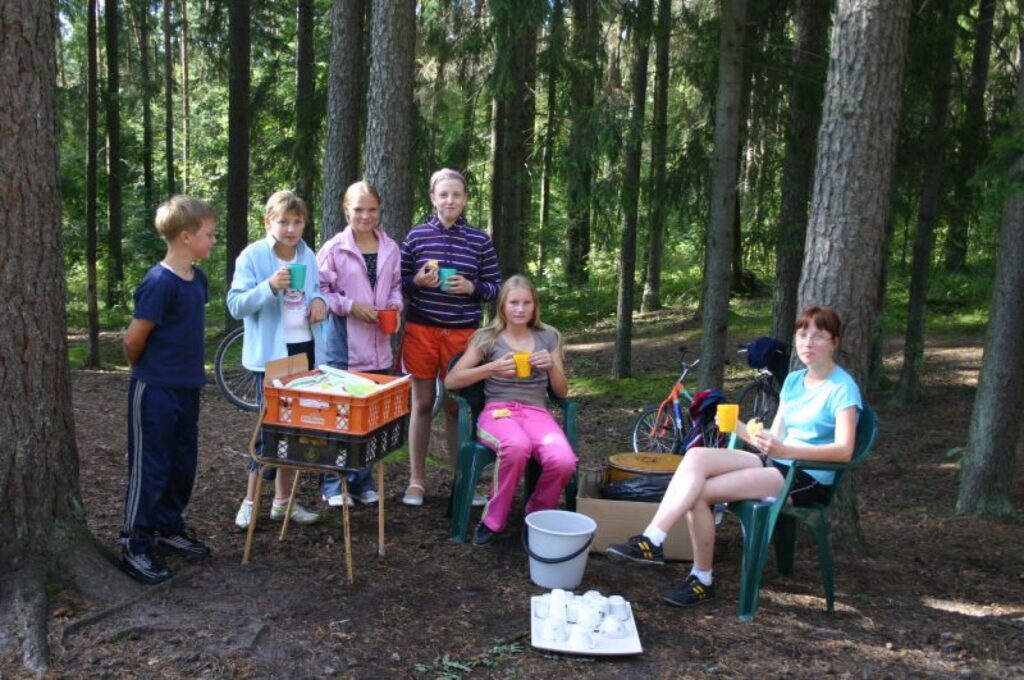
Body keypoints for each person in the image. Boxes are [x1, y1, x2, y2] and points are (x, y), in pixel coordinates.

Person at [606, 306, 862, 607]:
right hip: (777, 462)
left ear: (834, 342)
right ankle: (653, 539)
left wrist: (785, 451)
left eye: (818, 336)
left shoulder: (842, 388)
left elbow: (844, 450)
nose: (808, 343)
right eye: (802, 335)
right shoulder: (794, 381)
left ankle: (701, 579)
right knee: (696, 456)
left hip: (806, 476)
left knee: (699, 494)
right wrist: (739, 428)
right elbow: (776, 436)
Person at [120, 195, 218, 585]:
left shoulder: (199, 280)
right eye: (209, 234)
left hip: (187, 388)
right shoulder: (159, 283)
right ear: (185, 236)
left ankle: (167, 526)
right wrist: (148, 372)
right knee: (152, 466)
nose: (213, 241)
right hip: (155, 390)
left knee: (181, 462)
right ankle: (135, 543)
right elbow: (133, 340)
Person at [444, 276, 576, 546]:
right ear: (502, 306)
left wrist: (551, 366)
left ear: (535, 306)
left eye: (527, 303)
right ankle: (493, 520)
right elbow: (451, 381)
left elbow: (562, 392)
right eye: (514, 302)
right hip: (498, 412)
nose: (520, 309)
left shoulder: (548, 337)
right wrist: (491, 368)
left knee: (563, 460)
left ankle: (536, 516)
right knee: (516, 446)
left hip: (537, 413)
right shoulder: (487, 338)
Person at [399, 168, 501, 507]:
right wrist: (417, 282)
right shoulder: (416, 237)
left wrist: (472, 287)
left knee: (457, 407)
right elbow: (398, 283)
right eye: (443, 194)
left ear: (465, 198)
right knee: (422, 403)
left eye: (456, 195)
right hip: (422, 329)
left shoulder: (479, 240)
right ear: (433, 198)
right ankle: (416, 482)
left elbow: (496, 287)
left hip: (463, 334)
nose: (450, 200)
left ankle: (463, 482)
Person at [228, 191, 328, 529]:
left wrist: (320, 302)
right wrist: (269, 286)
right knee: (269, 429)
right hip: (271, 356)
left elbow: (316, 290)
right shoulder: (253, 255)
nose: (290, 229)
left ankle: (283, 503)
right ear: (268, 221)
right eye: (283, 221)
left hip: (303, 351)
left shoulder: (307, 254)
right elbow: (235, 305)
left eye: (297, 222)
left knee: (295, 429)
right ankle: (250, 501)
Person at [316, 181, 402, 506]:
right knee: (341, 416)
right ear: (346, 210)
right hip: (345, 345)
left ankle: (360, 481)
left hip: (380, 345)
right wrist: (351, 306)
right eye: (359, 209)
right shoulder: (334, 249)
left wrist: (394, 306)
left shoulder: (390, 248)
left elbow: (396, 285)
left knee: (371, 419)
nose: (366, 216)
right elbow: (320, 291)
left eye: (372, 210)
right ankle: (333, 485)